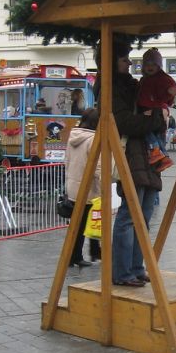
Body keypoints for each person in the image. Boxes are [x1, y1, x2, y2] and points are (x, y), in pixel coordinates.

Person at [112, 40, 165, 287]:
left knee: (144, 213)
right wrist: (155, 119)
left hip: (146, 152)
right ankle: (123, 271)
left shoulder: (134, 85)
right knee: (129, 215)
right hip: (132, 153)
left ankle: (135, 266)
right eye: (125, 60)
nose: (130, 63)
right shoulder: (113, 88)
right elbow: (125, 122)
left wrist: (157, 116)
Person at [64, 108, 101, 268]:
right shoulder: (93, 139)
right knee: (92, 220)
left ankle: (79, 254)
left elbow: (67, 161)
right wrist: (104, 188)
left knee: (79, 223)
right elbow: (98, 167)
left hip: (73, 186)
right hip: (89, 188)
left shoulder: (73, 136)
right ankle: (85, 254)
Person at [136, 47, 176, 172]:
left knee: (147, 129)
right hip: (155, 108)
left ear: (158, 66)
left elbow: (169, 87)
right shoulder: (146, 79)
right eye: (147, 64)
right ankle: (164, 156)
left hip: (153, 109)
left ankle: (155, 150)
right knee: (157, 135)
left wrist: (171, 92)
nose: (150, 67)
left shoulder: (160, 78)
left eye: (153, 64)